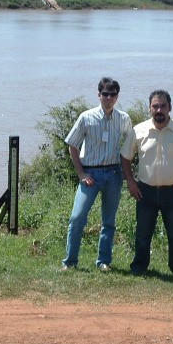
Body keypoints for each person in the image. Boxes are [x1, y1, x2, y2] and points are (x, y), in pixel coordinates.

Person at [120, 89, 173, 277]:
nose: (159, 110)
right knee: (142, 234)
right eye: (155, 106)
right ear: (150, 108)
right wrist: (131, 182)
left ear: (170, 108)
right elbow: (125, 157)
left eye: (163, 106)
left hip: (172, 192)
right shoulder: (138, 131)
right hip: (144, 191)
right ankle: (139, 267)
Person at [61, 77, 133, 272]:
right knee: (77, 217)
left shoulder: (124, 119)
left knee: (108, 221)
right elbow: (72, 145)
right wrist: (81, 173)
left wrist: (128, 173)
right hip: (90, 174)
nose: (109, 98)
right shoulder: (86, 117)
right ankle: (70, 262)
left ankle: (103, 262)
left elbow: (130, 145)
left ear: (117, 96)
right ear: (98, 95)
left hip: (113, 173)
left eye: (113, 94)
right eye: (105, 94)